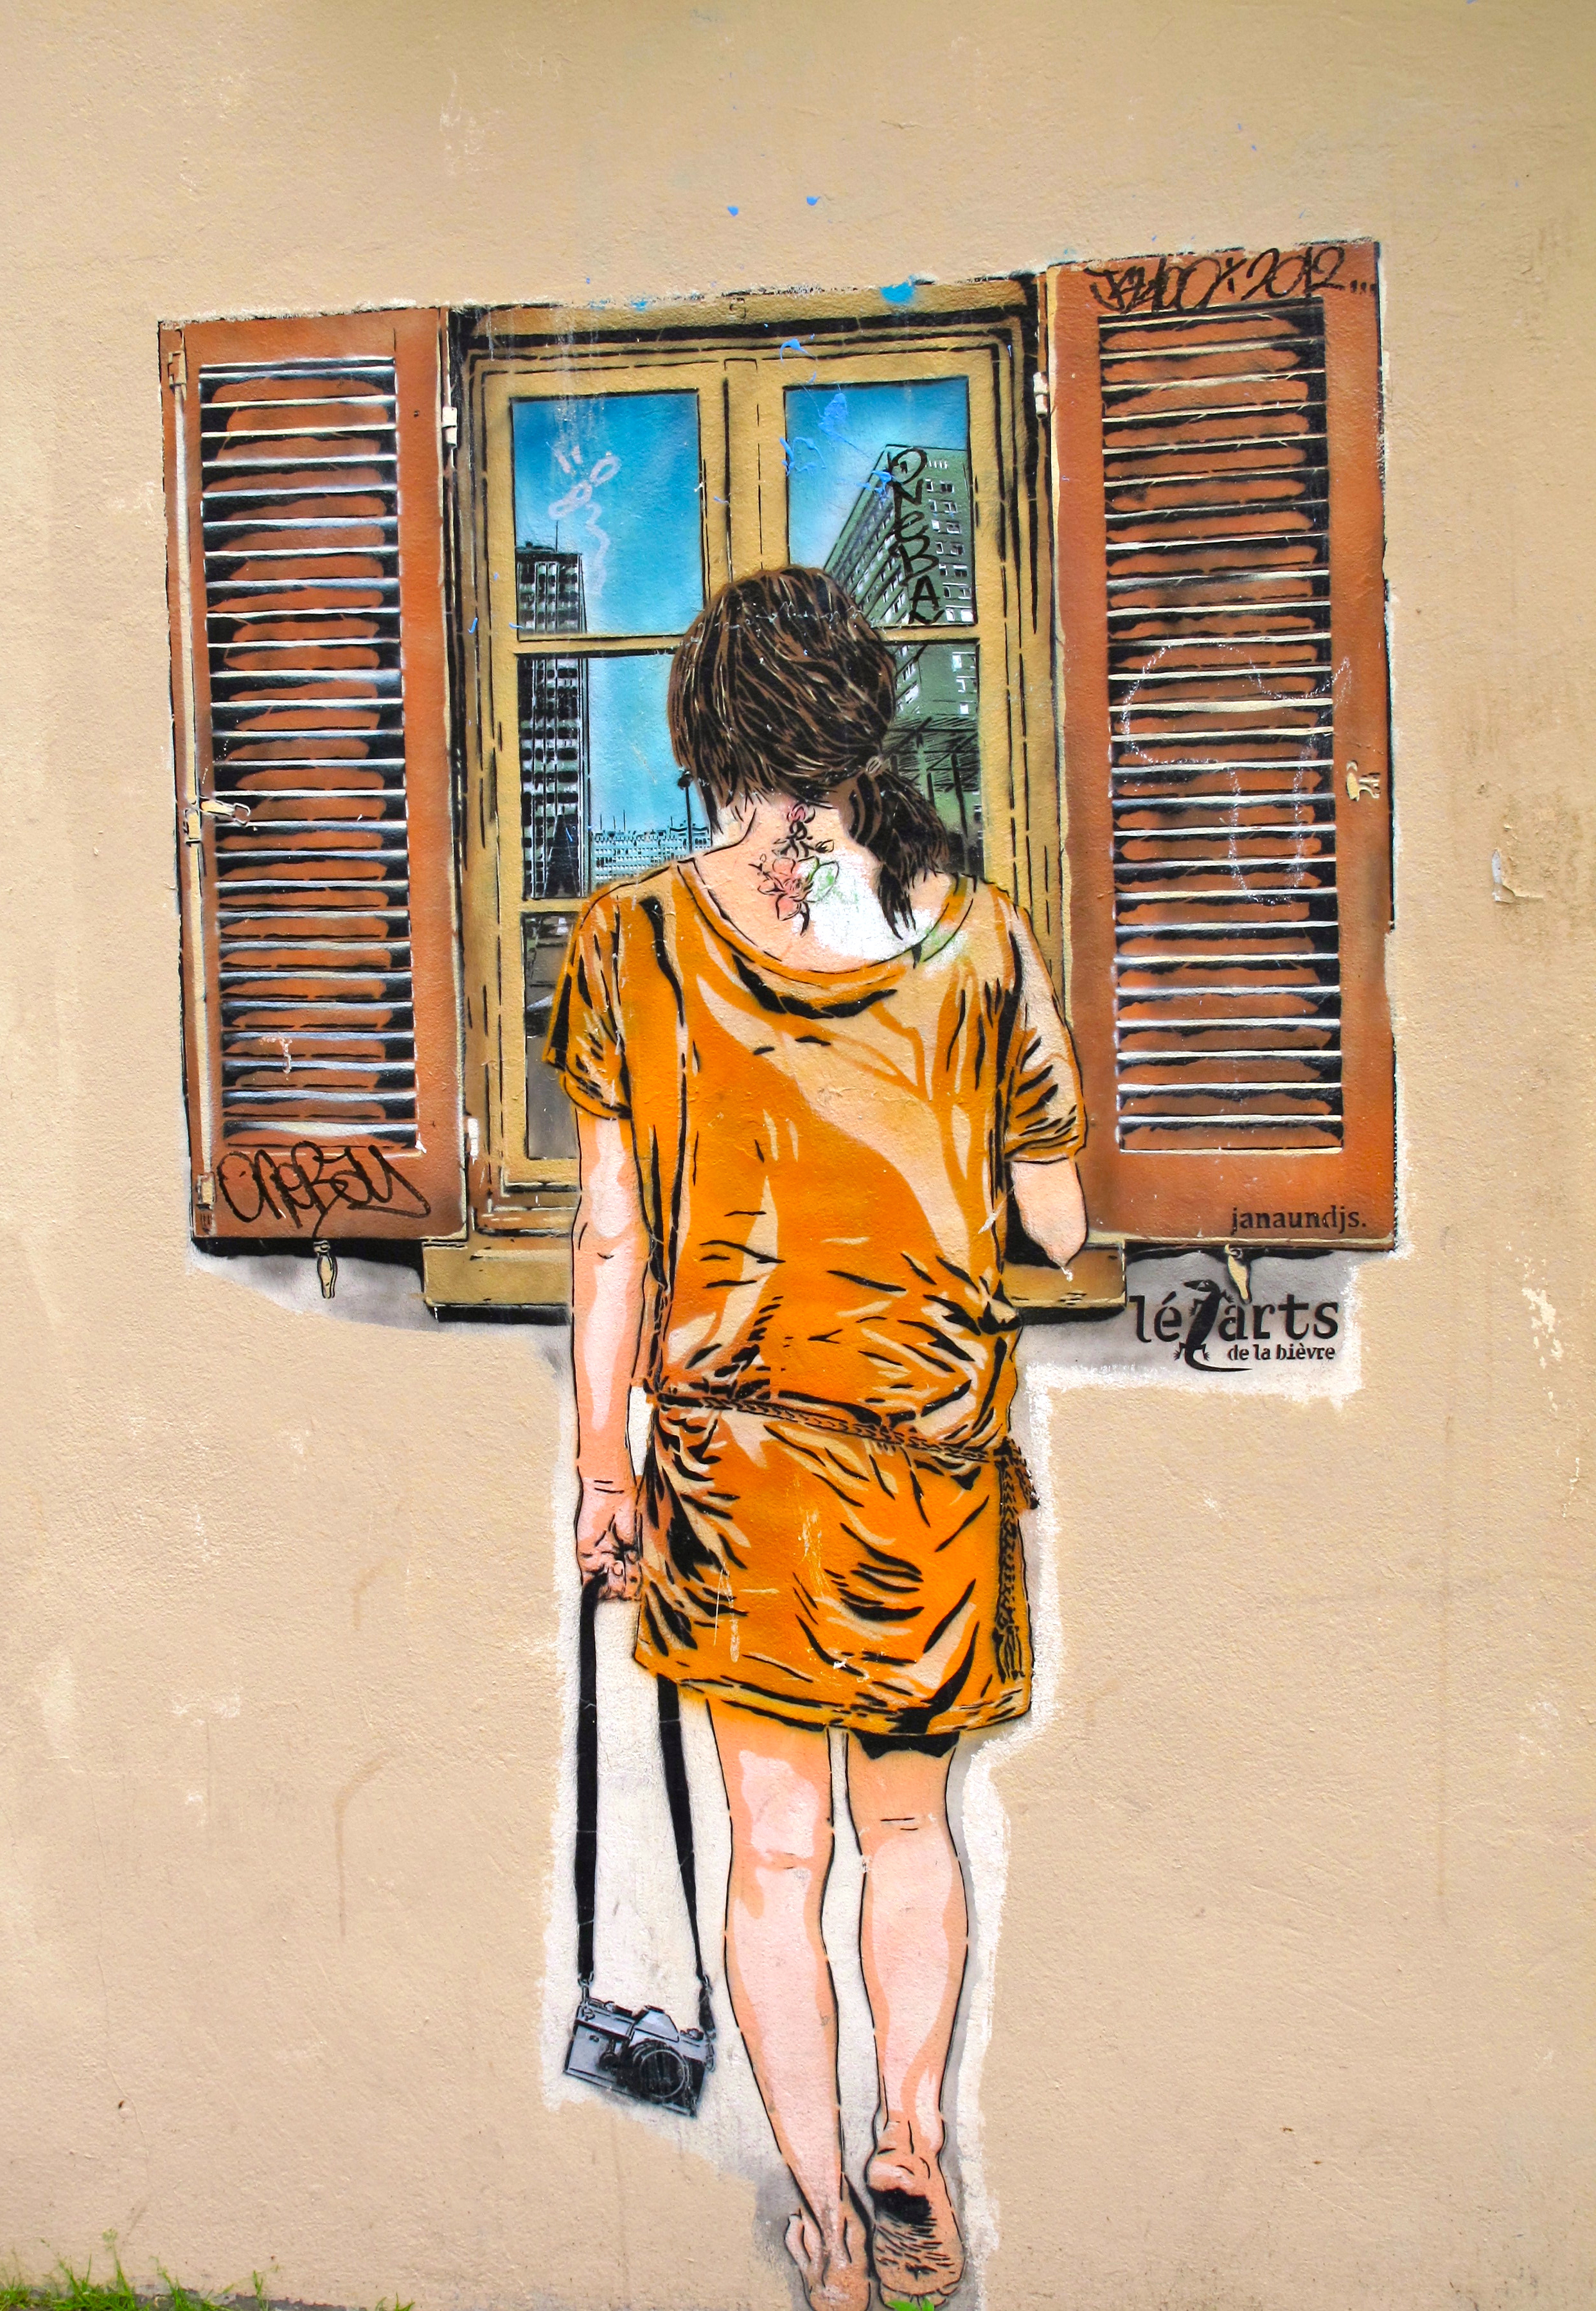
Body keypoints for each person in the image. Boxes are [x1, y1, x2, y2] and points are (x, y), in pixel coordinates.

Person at [545, 567, 1087, 2311]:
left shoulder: (630, 941)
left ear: (703, 737)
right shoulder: (979, 936)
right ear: (866, 726)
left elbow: (612, 1234)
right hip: (926, 1456)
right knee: (909, 1834)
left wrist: (604, 1468)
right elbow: (1061, 1223)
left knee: (773, 1857)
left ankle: (824, 2223)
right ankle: (913, 2141)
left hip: (732, 1464)